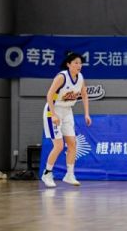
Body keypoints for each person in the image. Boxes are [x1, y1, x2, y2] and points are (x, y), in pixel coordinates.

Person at [41, 52, 92, 188]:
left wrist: (87, 114)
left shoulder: (80, 78)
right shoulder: (62, 77)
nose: (79, 65)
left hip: (67, 111)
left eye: (80, 63)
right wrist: (53, 115)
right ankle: (47, 173)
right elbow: (49, 95)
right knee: (58, 146)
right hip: (53, 109)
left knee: (72, 144)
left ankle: (69, 175)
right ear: (68, 64)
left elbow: (84, 95)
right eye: (76, 63)